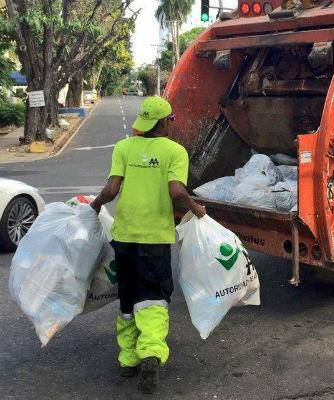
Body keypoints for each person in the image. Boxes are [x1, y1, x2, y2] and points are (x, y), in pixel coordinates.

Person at [90, 96, 206, 394]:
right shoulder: (175, 152)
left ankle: (128, 358)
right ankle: (151, 353)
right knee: (153, 297)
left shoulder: (124, 147)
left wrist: (93, 206)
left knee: (127, 298)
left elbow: (112, 189)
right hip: (154, 240)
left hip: (125, 238)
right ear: (165, 122)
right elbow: (177, 191)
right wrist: (196, 209)